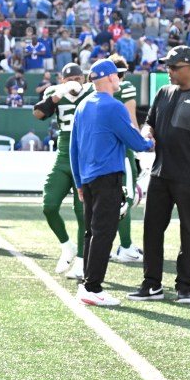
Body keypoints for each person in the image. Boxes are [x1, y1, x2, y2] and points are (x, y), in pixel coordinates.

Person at [128, 46, 190, 304]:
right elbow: (149, 122)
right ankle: (152, 284)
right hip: (160, 173)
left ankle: (184, 287)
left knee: (188, 231)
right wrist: (146, 133)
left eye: (174, 67)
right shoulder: (163, 92)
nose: (169, 71)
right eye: (167, 66)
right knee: (151, 229)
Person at [70, 60, 154, 307]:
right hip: (107, 177)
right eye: (117, 75)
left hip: (88, 179)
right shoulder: (113, 106)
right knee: (104, 232)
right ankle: (92, 287)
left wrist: (79, 183)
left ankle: (88, 284)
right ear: (109, 77)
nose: (120, 78)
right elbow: (135, 142)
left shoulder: (83, 105)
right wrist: (150, 141)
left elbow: (73, 149)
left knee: (91, 232)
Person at [33, 62, 88, 279]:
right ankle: (67, 245)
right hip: (63, 155)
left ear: (84, 78)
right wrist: (57, 95)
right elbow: (38, 113)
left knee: (82, 213)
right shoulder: (54, 92)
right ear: (62, 80)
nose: (74, 82)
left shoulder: (91, 92)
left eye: (78, 78)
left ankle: (83, 261)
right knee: (49, 205)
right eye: (69, 80)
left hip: (85, 157)